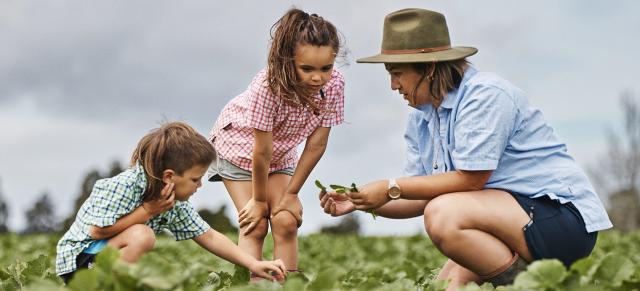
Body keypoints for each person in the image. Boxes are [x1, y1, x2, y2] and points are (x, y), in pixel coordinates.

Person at [319, 8, 612, 289]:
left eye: (397, 73)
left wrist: (390, 186)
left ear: (430, 68)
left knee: (443, 214)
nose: (393, 85)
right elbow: (418, 195)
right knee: (447, 286)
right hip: (506, 220)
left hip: (560, 220)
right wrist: (361, 201)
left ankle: (535, 287)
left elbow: (471, 180)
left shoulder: (485, 96)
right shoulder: (421, 119)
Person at [207, 8, 345, 279]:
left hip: (280, 154)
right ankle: (250, 285)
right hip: (238, 148)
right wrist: (259, 200)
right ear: (287, 61)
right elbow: (261, 151)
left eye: (325, 68)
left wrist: (291, 194)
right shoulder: (267, 86)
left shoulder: (335, 85)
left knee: (285, 220)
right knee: (255, 224)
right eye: (307, 69)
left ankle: (287, 284)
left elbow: (316, 144)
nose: (317, 78)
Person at [56, 122, 286, 284]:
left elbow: (209, 236)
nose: (200, 185)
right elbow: (97, 231)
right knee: (142, 235)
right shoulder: (125, 185)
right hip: (79, 261)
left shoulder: (172, 200)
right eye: (195, 179)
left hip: (106, 256)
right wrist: (147, 210)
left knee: (146, 247)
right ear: (169, 176)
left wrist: (252, 264)